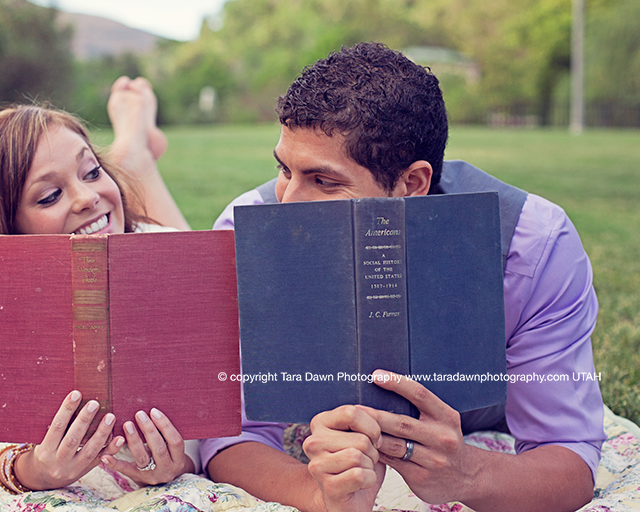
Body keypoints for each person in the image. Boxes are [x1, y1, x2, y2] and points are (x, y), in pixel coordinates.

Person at [199, 43, 605, 512]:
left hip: (481, 419)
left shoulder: (533, 244)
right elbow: (229, 438)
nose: (287, 204)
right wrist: (319, 494)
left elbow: (569, 456)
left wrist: (468, 474)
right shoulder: (244, 229)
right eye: (283, 169)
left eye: (323, 181)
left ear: (412, 184)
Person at [0, 77, 194, 495]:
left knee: (208, 274)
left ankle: (134, 155)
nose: (87, 197)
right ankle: (134, 151)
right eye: (50, 196)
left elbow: (205, 407)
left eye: (93, 171)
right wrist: (33, 471)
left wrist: (181, 461)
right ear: (5, 229)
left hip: (149, 239)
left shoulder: (154, 247)